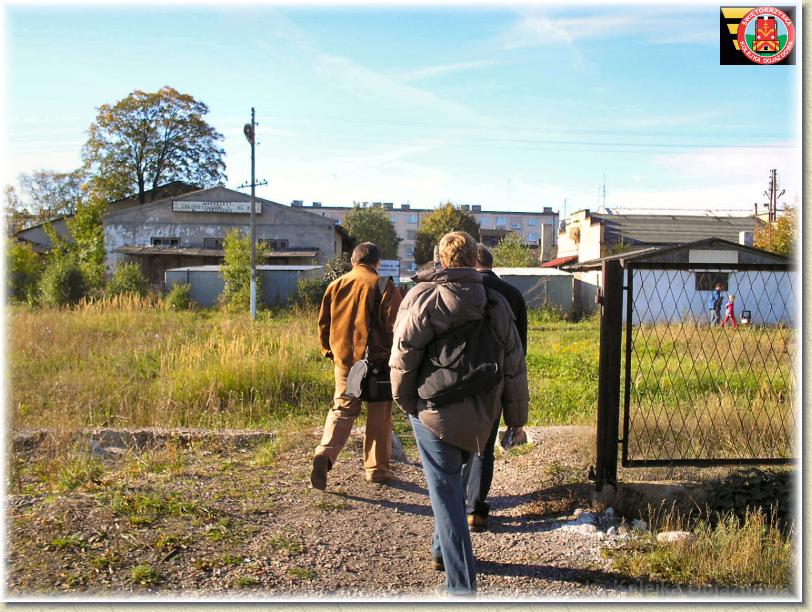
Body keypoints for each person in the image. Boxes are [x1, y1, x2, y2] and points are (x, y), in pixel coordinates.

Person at [389, 231, 528, 596]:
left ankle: (461, 589)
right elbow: (514, 363)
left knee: (448, 497)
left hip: (433, 412)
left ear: (441, 258)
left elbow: (403, 357)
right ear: (473, 258)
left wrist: (407, 404)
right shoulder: (496, 302)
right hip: (482, 412)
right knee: (452, 489)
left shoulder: (423, 297)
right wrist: (515, 419)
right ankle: (441, 551)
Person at [310, 242, 402, 490]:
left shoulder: (336, 285)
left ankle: (325, 453)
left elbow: (324, 324)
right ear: (377, 262)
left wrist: (330, 353)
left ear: (353, 261)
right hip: (376, 365)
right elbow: (397, 326)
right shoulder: (383, 285)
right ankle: (377, 469)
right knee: (379, 413)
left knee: (343, 409)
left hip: (347, 364)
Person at [462, 243, 528, 532]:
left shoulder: (461, 289)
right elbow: (519, 348)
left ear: (470, 262)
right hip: (496, 382)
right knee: (484, 447)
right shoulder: (512, 294)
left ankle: (454, 504)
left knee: (456, 443)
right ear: (490, 262)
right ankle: (475, 510)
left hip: (458, 381)